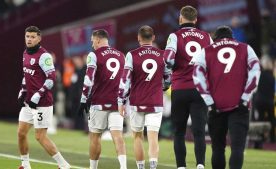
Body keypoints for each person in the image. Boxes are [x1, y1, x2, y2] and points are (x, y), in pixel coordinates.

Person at [193, 26, 261, 169]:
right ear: (232, 37)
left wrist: (209, 101)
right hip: (239, 105)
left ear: (216, 37)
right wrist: (245, 97)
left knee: (218, 149)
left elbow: (197, 76)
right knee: (237, 148)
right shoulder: (245, 48)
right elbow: (256, 71)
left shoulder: (206, 50)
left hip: (216, 106)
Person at [163, 5, 212, 169]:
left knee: (179, 132)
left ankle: (182, 166)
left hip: (180, 88)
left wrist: (166, 79)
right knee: (199, 132)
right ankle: (200, 165)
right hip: (199, 89)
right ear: (196, 20)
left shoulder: (175, 36)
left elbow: (168, 59)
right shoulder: (206, 36)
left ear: (180, 19)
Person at [17, 26, 71, 169]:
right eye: (27, 36)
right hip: (28, 102)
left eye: (33, 37)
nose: (29, 39)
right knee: (21, 133)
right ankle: (25, 164)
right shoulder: (25, 53)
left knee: (40, 136)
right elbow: (26, 74)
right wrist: (22, 90)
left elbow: (51, 78)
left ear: (39, 38)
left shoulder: (44, 56)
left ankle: (64, 165)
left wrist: (38, 95)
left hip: (42, 102)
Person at [118, 25, 170, 169]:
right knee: (153, 137)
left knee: (137, 137)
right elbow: (168, 78)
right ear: (153, 38)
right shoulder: (162, 54)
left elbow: (125, 80)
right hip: (155, 101)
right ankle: (153, 167)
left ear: (138, 38)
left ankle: (140, 167)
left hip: (137, 102)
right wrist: (164, 87)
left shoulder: (131, 55)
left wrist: (121, 101)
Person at [79, 29, 127, 169]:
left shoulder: (94, 55)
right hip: (116, 102)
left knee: (95, 136)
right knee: (118, 136)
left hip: (99, 102)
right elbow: (125, 80)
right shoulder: (120, 55)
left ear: (98, 39)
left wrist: (83, 99)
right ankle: (123, 167)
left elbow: (89, 79)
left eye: (93, 41)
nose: (92, 44)